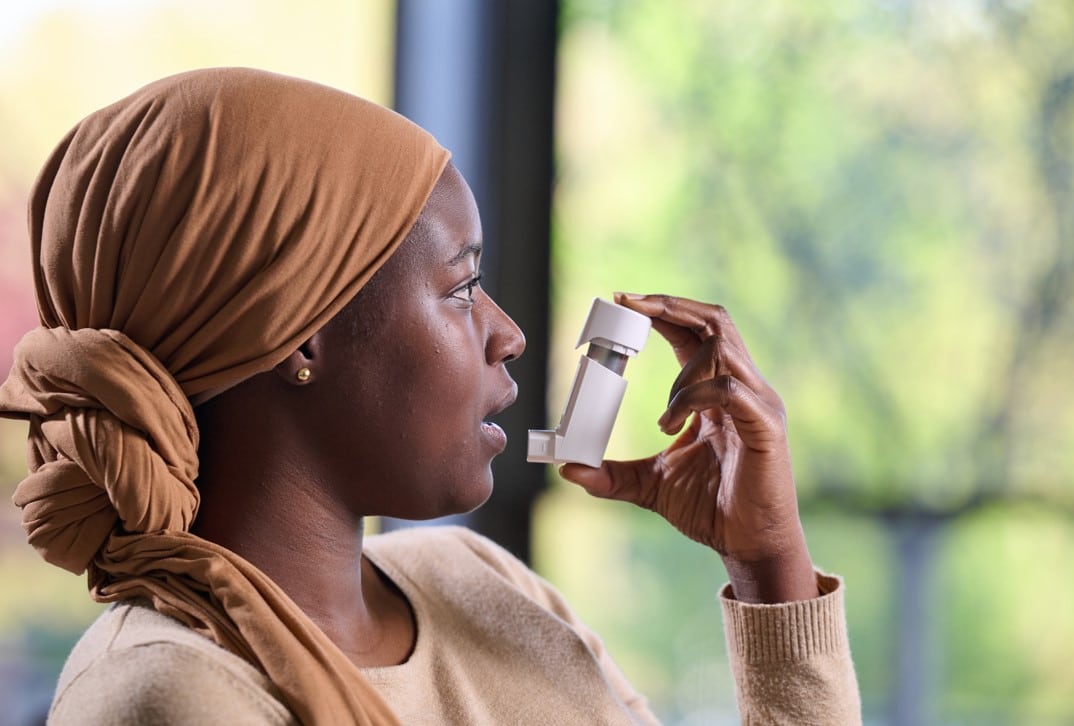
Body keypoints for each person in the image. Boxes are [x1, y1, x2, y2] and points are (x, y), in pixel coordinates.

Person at [0, 68, 860, 724]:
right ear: (297, 332)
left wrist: (770, 569)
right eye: (461, 287)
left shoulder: (476, 580)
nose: (508, 333)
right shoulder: (171, 698)